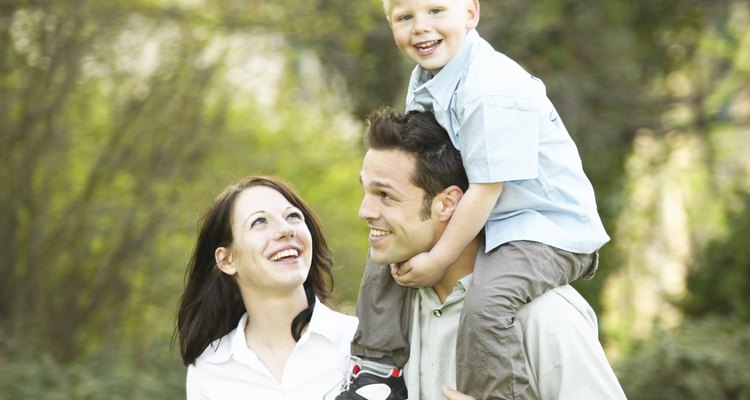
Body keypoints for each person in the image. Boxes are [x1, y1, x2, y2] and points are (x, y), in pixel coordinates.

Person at [340, 0, 611, 398]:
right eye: (404, 18)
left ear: (471, 13)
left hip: (545, 228)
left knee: (487, 306)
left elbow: (485, 190)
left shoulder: (490, 88)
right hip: (498, 217)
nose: (420, 27)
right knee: (387, 248)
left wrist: (437, 259)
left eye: (435, 11)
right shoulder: (428, 77)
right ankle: (376, 371)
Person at [341, 108, 625, 400]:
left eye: (386, 195)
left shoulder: (543, 315)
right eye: (366, 192)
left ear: (448, 203)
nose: (364, 212)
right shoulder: (387, 315)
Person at [174, 176, 358, 400]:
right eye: (259, 221)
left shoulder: (360, 343)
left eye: (293, 216)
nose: (286, 229)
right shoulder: (209, 369)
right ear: (226, 260)